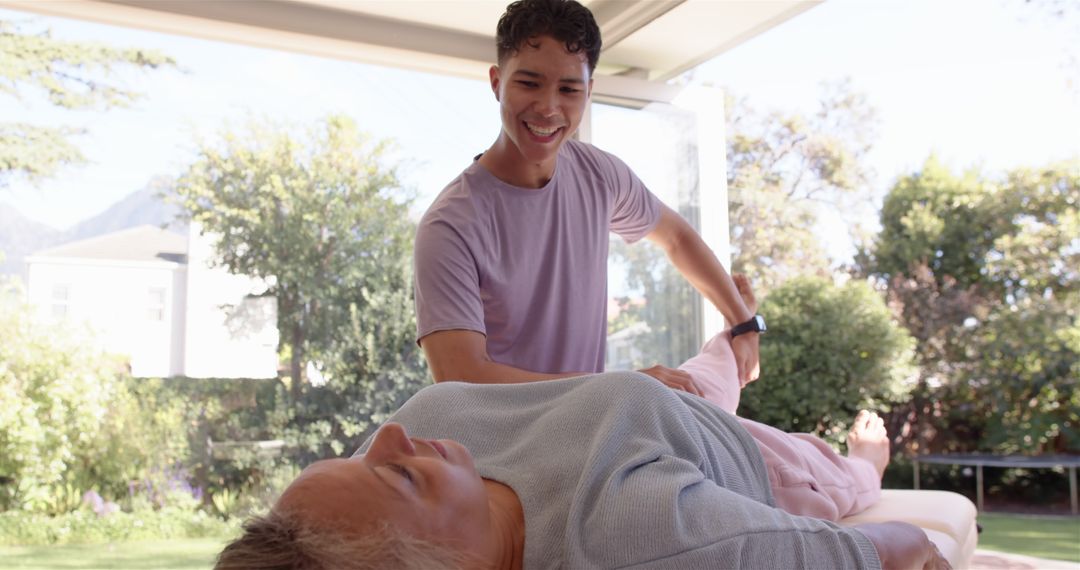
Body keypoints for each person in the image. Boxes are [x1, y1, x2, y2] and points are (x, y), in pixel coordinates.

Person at [215, 373, 949, 569]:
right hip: (761, 460)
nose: (394, 435)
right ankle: (865, 456)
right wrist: (917, 541)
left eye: (360, 451)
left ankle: (732, 348)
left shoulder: (432, 426)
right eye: (397, 476)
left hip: (660, 399)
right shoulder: (635, 535)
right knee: (846, 471)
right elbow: (869, 554)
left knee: (725, 353)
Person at [413, 0, 763, 396]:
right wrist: (617, 387)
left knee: (735, 429)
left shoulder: (599, 175)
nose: (548, 108)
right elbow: (462, 375)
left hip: (592, 431)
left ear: (589, 91)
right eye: (529, 83)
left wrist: (743, 324)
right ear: (497, 83)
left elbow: (677, 238)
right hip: (499, 447)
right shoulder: (450, 225)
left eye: (569, 89)